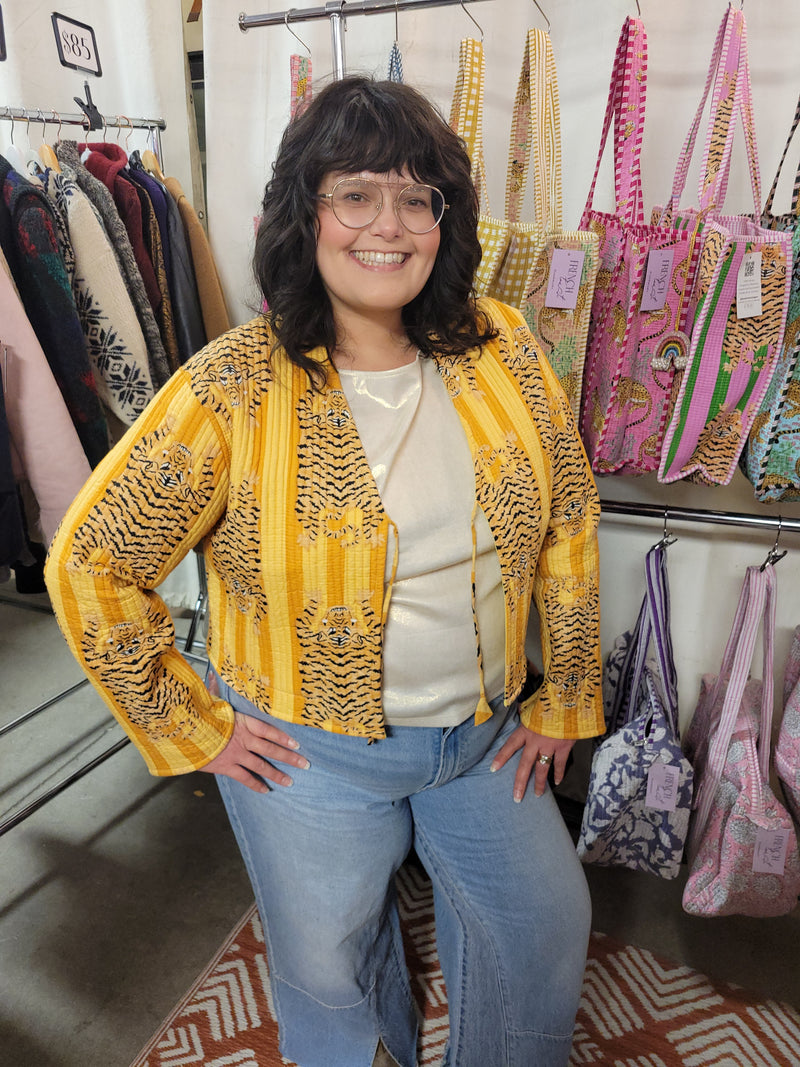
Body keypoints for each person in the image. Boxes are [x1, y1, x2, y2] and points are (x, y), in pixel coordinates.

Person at [45, 76, 604, 1067]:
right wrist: (192, 723)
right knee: (331, 967)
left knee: (542, 932)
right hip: (307, 757)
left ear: (445, 221)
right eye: (355, 193)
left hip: (482, 737)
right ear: (304, 213)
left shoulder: (504, 347)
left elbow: (567, 515)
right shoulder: (231, 387)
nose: (388, 224)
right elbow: (92, 563)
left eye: (417, 197)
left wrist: (565, 692)